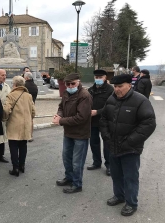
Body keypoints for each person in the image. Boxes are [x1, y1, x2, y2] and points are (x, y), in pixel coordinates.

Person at [100, 74, 156, 216]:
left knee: (130, 177)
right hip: (113, 146)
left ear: (129, 85)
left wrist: (129, 141)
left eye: (120, 86)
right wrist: (106, 137)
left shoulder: (140, 101)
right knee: (116, 175)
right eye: (115, 86)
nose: (117, 89)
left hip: (130, 149)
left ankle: (131, 203)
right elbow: (104, 119)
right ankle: (119, 196)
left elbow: (148, 123)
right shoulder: (111, 99)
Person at [52, 73, 92, 194]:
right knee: (66, 158)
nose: (70, 86)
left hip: (81, 134)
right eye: (67, 84)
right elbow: (61, 107)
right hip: (68, 132)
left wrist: (61, 121)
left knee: (77, 161)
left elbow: (81, 117)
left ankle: (77, 184)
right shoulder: (66, 93)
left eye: (73, 83)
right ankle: (69, 178)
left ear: (78, 82)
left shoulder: (84, 95)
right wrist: (59, 114)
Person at [3, 76, 35, 176]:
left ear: (15, 84)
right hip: (26, 124)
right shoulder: (28, 96)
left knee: (13, 146)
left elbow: (6, 110)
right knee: (23, 145)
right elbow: (33, 111)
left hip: (14, 124)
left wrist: (4, 118)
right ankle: (22, 165)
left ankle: (15, 168)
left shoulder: (11, 95)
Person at [87, 69, 114, 176]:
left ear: (105, 78)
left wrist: (97, 112)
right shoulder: (90, 90)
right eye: (96, 77)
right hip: (92, 121)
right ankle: (96, 162)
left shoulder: (110, 90)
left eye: (100, 77)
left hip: (105, 121)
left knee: (107, 144)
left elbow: (112, 106)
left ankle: (109, 165)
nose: (98, 79)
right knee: (94, 143)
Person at [0, 69, 11, 163]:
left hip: (4, 115)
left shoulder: (7, 87)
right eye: (2, 75)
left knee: (3, 136)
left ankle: (0, 155)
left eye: (5, 75)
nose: (4, 77)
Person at [24, 71, 38, 142]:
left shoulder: (24, 85)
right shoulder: (35, 86)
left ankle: (24, 135)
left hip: (24, 105)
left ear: (26, 77)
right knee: (31, 120)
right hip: (32, 104)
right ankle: (30, 136)